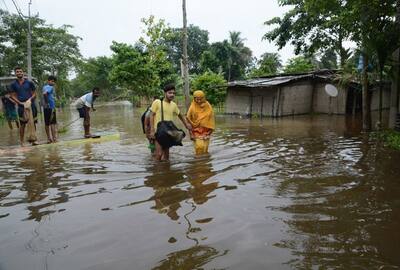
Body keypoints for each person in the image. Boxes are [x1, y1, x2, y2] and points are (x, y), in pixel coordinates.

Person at [149, 84, 192, 161]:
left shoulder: (174, 105)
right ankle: (156, 172)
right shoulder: (157, 102)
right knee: (158, 155)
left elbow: (180, 115)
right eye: (170, 93)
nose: (172, 95)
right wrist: (152, 130)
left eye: (173, 93)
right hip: (158, 132)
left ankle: (166, 171)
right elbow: (151, 115)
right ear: (165, 93)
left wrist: (186, 125)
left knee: (166, 156)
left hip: (168, 132)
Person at [9, 67, 38, 146]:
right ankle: (22, 142)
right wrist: (20, 103)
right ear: (15, 73)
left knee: (33, 122)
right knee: (22, 124)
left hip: (31, 105)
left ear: (23, 73)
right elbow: (12, 96)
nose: (19, 73)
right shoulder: (13, 84)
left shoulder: (29, 83)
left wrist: (30, 99)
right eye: (17, 72)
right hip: (21, 106)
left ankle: (34, 140)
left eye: (20, 71)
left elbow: (35, 93)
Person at [186, 90, 215, 155]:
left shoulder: (208, 106)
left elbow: (211, 118)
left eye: (200, 99)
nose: (199, 101)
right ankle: (198, 163)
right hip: (196, 131)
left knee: (205, 149)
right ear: (194, 98)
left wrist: (210, 131)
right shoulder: (192, 106)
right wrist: (190, 133)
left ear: (203, 98)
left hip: (206, 131)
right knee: (199, 147)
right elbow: (188, 119)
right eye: (197, 99)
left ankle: (204, 163)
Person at [42, 75, 57, 143]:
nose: (53, 83)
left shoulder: (44, 87)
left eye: (54, 82)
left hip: (46, 108)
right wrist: (48, 103)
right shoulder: (50, 87)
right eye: (52, 81)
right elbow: (45, 94)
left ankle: (49, 139)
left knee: (47, 123)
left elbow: (45, 93)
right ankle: (54, 138)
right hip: (50, 107)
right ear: (48, 81)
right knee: (52, 123)